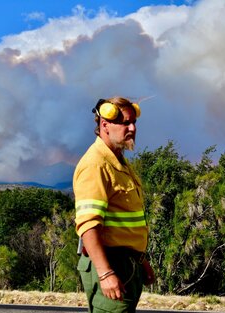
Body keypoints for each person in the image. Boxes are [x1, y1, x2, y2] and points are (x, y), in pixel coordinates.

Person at [73, 97, 155, 313]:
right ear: (105, 125)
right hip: (111, 264)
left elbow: (126, 222)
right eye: (126, 123)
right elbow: (89, 225)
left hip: (128, 264)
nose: (132, 128)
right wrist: (106, 273)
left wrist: (141, 260)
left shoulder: (118, 162)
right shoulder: (96, 164)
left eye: (134, 122)